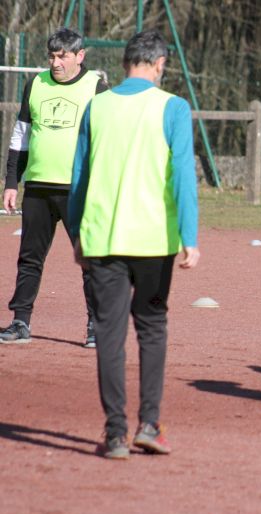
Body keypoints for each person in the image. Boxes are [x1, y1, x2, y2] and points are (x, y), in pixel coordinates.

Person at [68, 30, 200, 459]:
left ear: (126, 64)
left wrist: (77, 233)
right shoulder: (173, 107)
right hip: (153, 242)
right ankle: (148, 424)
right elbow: (183, 175)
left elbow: (79, 177)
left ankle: (114, 433)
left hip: (103, 239)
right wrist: (190, 237)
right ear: (160, 64)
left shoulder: (97, 106)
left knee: (109, 334)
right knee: (152, 326)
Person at [1, 28, 107, 347]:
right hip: (38, 188)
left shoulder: (97, 87)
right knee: (29, 258)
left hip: (79, 190)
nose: (56, 62)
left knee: (90, 259)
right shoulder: (35, 84)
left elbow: (108, 139)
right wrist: (11, 182)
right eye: (51, 56)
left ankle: (97, 326)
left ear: (80, 56)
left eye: (63, 56)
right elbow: (20, 136)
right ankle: (20, 321)